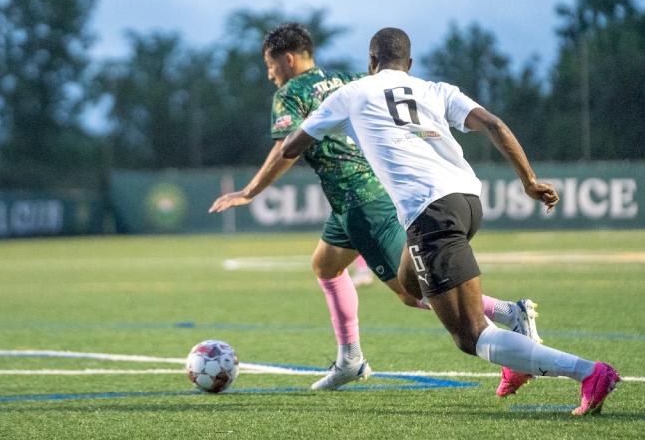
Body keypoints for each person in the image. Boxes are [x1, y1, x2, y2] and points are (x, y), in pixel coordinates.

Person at [282, 27, 620, 415]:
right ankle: (517, 352)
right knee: (409, 283)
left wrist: (308, 138)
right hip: (467, 201)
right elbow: (495, 125)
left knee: (470, 335)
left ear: (370, 62)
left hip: (431, 213)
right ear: (409, 64)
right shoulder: (435, 89)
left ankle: (589, 373)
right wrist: (528, 180)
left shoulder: (353, 93)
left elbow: (292, 145)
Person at [209, 23, 542, 391]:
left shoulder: (291, 93)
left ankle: (509, 314)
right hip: (352, 200)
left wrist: (250, 191)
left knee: (410, 291)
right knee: (325, 265)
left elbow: (286, 148)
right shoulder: (346, 80)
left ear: (287, 60)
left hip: (360, 200)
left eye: (270, 65)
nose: (269, 73)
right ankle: (350, 359)